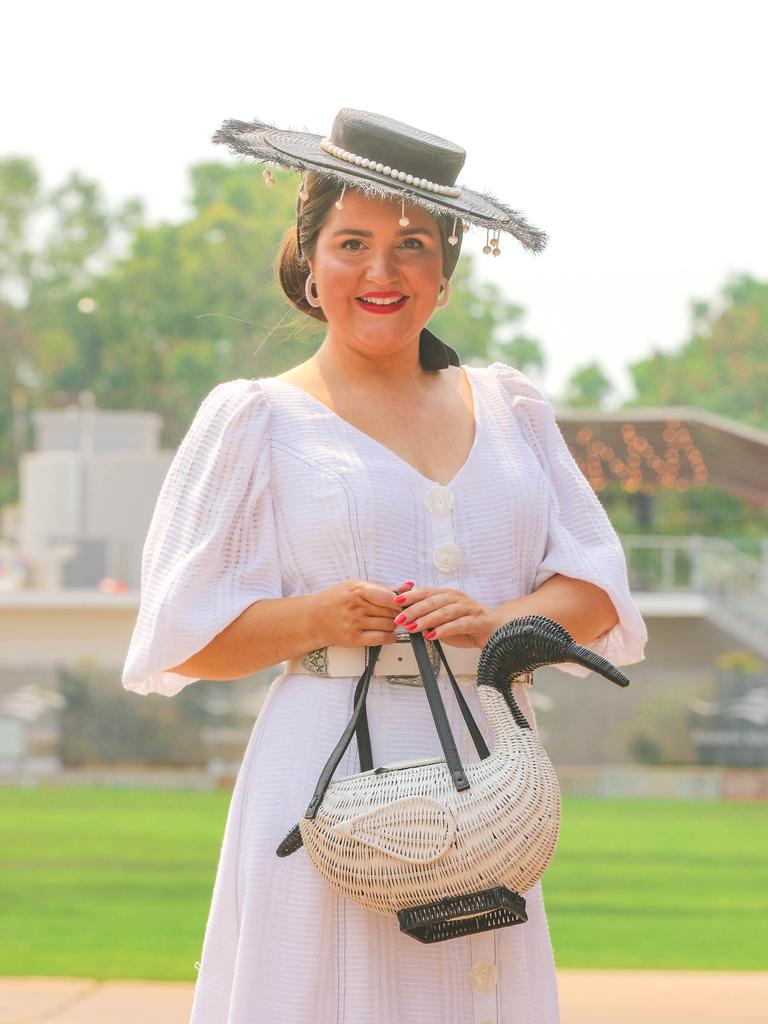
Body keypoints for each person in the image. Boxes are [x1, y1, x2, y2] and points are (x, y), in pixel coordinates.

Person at [122, 109, 648, 1024]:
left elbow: (597, 592)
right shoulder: (255, 420)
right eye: (351, 242)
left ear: (444, 271)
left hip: (489, 777)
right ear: (307, 259)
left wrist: (496, 617)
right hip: (323, 781)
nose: (380, 270)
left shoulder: (513, 409)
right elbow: (183, 641)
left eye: (411, 245)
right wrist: (318, 618)